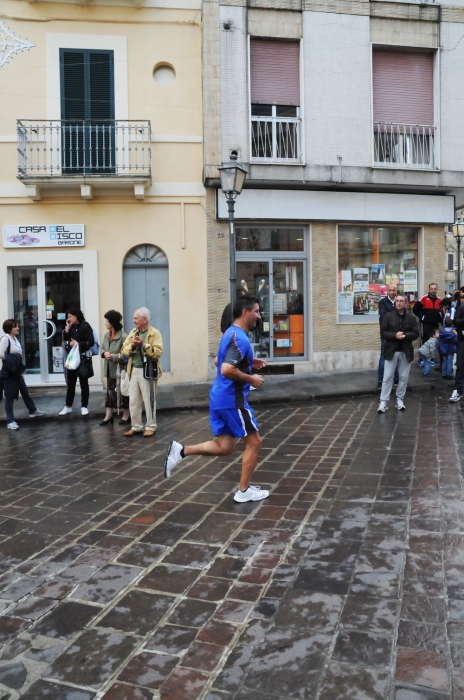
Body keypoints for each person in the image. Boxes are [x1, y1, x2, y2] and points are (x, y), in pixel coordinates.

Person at [164, 295, 269, 503]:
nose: (259, 316)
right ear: (245, 312)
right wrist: (251, 378)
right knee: (255, 442)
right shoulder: (240, 338)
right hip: (232, 401)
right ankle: (244, 491)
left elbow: (217, 361)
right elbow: (226, 368)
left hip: (219, 398)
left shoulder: (230, 333)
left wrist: (248, 362)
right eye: (256, 311)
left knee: (226, 446)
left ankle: (180, 451)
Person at [120, 308, 163, 437]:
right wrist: (133, 345)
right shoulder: (133, 332)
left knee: (149, 399)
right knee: (133, 400)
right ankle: (136, 426)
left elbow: (159, 352)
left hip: (148, 370)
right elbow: (124, 349)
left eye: (135, 318)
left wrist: (144, 345)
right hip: (133, 370)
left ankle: (150, 426)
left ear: (144, 319)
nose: (133, 321)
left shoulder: (155, 333)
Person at [377, 294, 419, 413]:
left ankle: (399, 399)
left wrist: (405, 336)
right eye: (397, 301)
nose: (399, 303)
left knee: (403, 377)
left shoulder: (411, 318)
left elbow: (416, 333)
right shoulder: (388, 316)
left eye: (401, 301)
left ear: (406, 303)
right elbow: (383, 333)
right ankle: (383, 401)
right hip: (392, 350)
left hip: (405, 350)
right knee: (387, 376)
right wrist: (394, 335)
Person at [0, 319, 45, 430]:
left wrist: (20, 371)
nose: (18, 328)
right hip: (9, 372)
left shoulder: (15, 339)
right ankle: (10, 421)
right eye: (15, 326)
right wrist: (11, 360)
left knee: (24, 391)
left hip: (17, 371)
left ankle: (33, 410)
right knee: (10, 396)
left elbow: (19, 354)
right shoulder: (6, 339)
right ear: (9, 328)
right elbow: (0, 353)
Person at [59, 309, 95, 417]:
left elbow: (91, 342)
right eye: (68, 316)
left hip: (82, 359)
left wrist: (78, 344)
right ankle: (68, 406)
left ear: (77, 316)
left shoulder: (85, 326)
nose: (68, 319)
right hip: (71, 359)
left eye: (70, 316)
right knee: (71, 384)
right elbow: (64, 338)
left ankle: (84, 406)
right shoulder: (70, 327)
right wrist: (68, 328)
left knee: (84, 383)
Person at [100, 310, 130, 426]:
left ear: (112, 322)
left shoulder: (124, 337)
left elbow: (126, 355)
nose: (105, 323)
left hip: (120, 370)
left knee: (123, 392)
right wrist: (104, 354)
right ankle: (108, 415)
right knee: (109, 392)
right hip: (109, 369)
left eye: (107, 321)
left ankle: (126, 415)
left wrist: (113, 356)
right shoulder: (106, 335)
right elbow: (102, 348)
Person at [377, 284, 398, 388]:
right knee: (384, 356)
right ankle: (381, 380)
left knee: (398, 356)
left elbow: (406, 314)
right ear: (387, 291)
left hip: (399, 333)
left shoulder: (400, 300)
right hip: (386, 333)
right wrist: (397, 316)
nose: (392, 292)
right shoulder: (382, 302)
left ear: (396, 291)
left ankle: (397, 380)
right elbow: (384, 317)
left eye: (394, 290)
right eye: (390, 290)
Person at [450, 298, 464, 402]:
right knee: (460, 365)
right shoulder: (461, 307)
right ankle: (458, 390)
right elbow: (456, 321)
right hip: (463, 340)